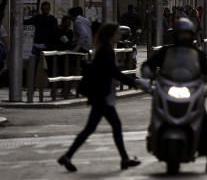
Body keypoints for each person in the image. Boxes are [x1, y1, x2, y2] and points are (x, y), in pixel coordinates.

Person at [57, 24, 144, 172]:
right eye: (117, 33)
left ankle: (68, 156)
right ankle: (123, 159)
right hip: (101, 95)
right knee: (112, 126)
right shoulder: (106, 50)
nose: (119, 36)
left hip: (100, 95)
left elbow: (112, 71)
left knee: (93, 128)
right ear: (110, 35)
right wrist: (133, 82)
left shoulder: (105, 49)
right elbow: (113, 72)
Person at [143, 18, 207, 173]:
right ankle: (153, 135)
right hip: (168, 87)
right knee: (156, 112)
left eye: (186, 34)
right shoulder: (165, 52)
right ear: (175, 35)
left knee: (206, 123)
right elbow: (148, 65)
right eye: (180, 34)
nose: (183, 37)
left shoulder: (197, 54)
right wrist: (147, 73)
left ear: (191, 35)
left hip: (191, 90)